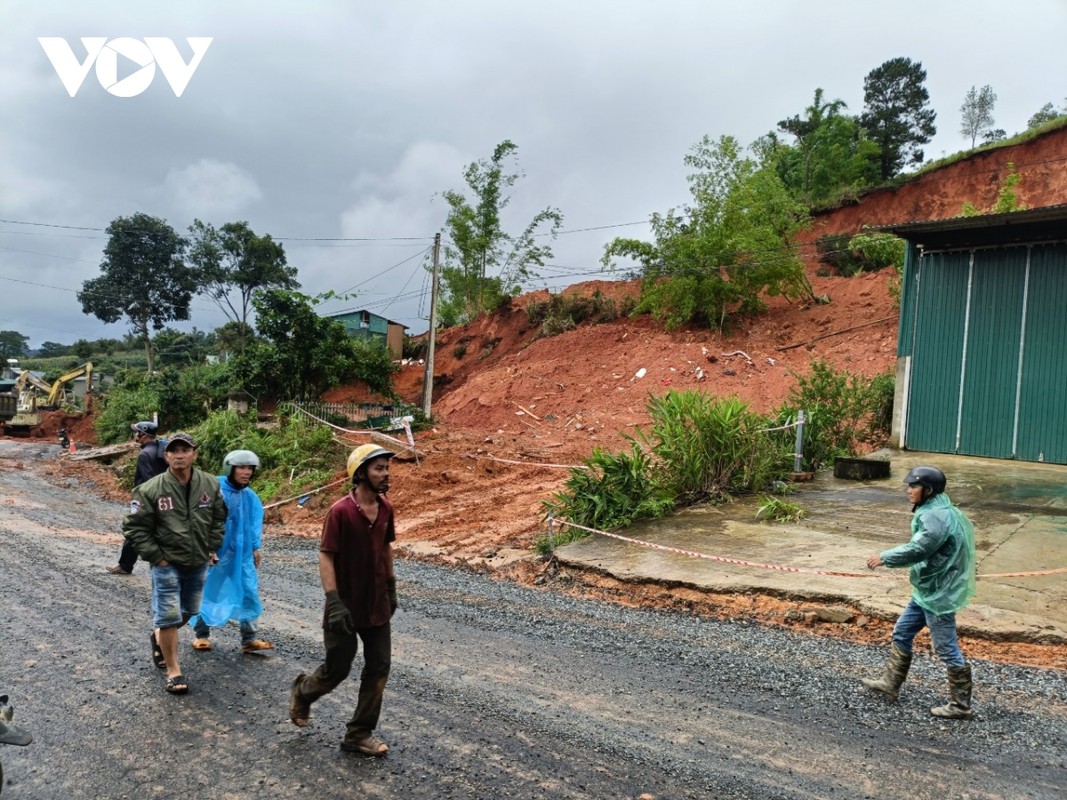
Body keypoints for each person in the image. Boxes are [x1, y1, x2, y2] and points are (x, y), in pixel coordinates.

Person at [289, 443, 399, 756]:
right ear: (361, 473)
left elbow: (386, 548)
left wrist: (391, 587)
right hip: (344, 607)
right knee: (336, 669)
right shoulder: (339, 512)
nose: (385, 473)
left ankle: (359, 733)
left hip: (376, 602)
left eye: (386, 468)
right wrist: (333, 601)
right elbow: (326, 557)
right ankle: (303, 692)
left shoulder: (386, 508)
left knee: (379, 667)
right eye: (378, 468)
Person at [862, 465, 977, 719]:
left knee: (946, 648)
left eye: (913, 486)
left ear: (928, 490)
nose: (908, 490)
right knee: (902, 631)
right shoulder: (935, 509)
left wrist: (884, 557)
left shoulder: (934, 517)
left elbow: (919, 549)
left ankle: (961, 705)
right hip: (927, 590)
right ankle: (890, 683)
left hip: (938, 594)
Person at [122, 432, 227, 695]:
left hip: (198, 561)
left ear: (195, 454)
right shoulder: (150, 489)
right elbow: (134, 528)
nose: (179, 455)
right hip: (166, 563)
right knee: (169, 617)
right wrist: (157, 557)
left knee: (188, 613)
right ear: (166, 455)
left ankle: (158, 637)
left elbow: (218, 517)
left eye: (185, 450)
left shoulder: (210, 484)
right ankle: (173, 671)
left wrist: (210, 546)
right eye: (174, 451)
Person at [189, 449, 274, 654]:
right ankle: (201, 635)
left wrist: (255, 547)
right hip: (216, 553)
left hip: (241, 555)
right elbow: (200, 520)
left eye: (250, 468)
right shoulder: (214, 488)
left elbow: (254, 523)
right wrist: (207, 548)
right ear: (230, 468)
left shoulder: (250, 496)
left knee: (249, 592)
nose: (246, 472)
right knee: (207, 591)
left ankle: (249, 639)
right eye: (241, 467)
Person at [108, 421, 169, 575]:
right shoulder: (161, 450)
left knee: (134, 531)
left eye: (137, 432)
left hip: (145, 500)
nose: (135, 435)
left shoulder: (144, 454)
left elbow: (149, 481)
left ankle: (125, 565)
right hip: (164, 497)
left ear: (144, 434)